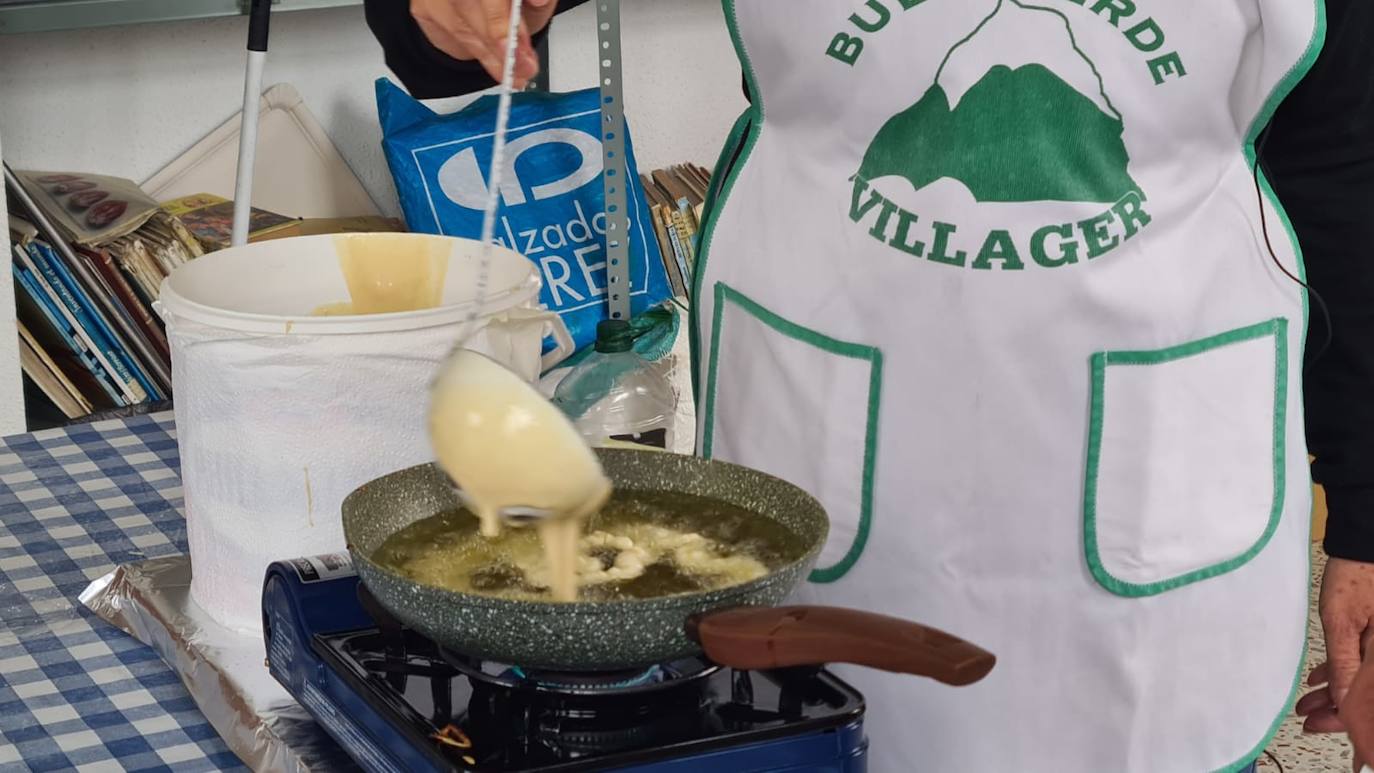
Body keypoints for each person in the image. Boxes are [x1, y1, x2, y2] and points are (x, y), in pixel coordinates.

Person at [365, 1, 1374, 770]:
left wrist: (1371, 519)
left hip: (1155, 460)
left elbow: (1345, 168)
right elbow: (438, 37)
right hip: (835, 440)